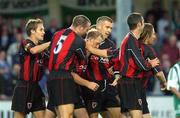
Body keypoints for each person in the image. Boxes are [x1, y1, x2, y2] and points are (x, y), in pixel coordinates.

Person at [47, 15, 91, 118]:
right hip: (64, 77)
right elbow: (83, 58)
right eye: (86, 29)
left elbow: (51, 52)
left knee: (60, 114)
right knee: (66, 115)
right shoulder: (78, 40)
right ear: (80, 27)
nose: (86, 33)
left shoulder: (56, 34)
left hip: (52, 77)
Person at [118, 12, 160, 118]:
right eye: (143, 21)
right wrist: (150, 64)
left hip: (131, 83)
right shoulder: (131, 41)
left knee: (128, 115)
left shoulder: (132, 39)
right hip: (130, 83)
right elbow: (142, 64)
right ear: (139, 24)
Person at [82, 16, 121, 118]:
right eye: (107, 27)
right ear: (99, 26)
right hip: (92, 89)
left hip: (108, 88)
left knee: (119, 115)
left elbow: (114, 64)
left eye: (111, 28)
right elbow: (81, 63)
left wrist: (115, 73)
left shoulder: (111, 44)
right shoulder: (87, 42)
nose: (109, 30)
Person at [11, 18, 50, 118]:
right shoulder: (25, 42)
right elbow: (33, 50)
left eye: (44, 29)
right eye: (41, 29)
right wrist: (51, 42)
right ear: (32, 31)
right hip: (24, 86)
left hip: (36, 87)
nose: (44, 32)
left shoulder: (42, 47)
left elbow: (50, 61)